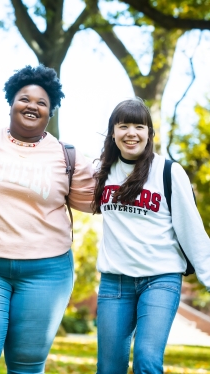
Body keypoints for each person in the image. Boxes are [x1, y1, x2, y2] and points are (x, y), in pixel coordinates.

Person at [0, 65, 96, 373]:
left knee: (27, 363)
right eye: (24, 98)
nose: (32, 105)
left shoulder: (66, 155)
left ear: (50, 112)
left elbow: (102, 199)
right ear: (11, 103)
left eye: (42, 102)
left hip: (47, 271)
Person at [92, 98, 210, 373]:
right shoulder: (102, 173)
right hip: (115, 282)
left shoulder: (169, 171)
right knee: (108, 368)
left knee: (147, 360)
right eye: (123, 126)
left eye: (138, 126)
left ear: (149, 133)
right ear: (113, 132)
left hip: (160, 279)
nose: (131, 133)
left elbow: (192, 231)